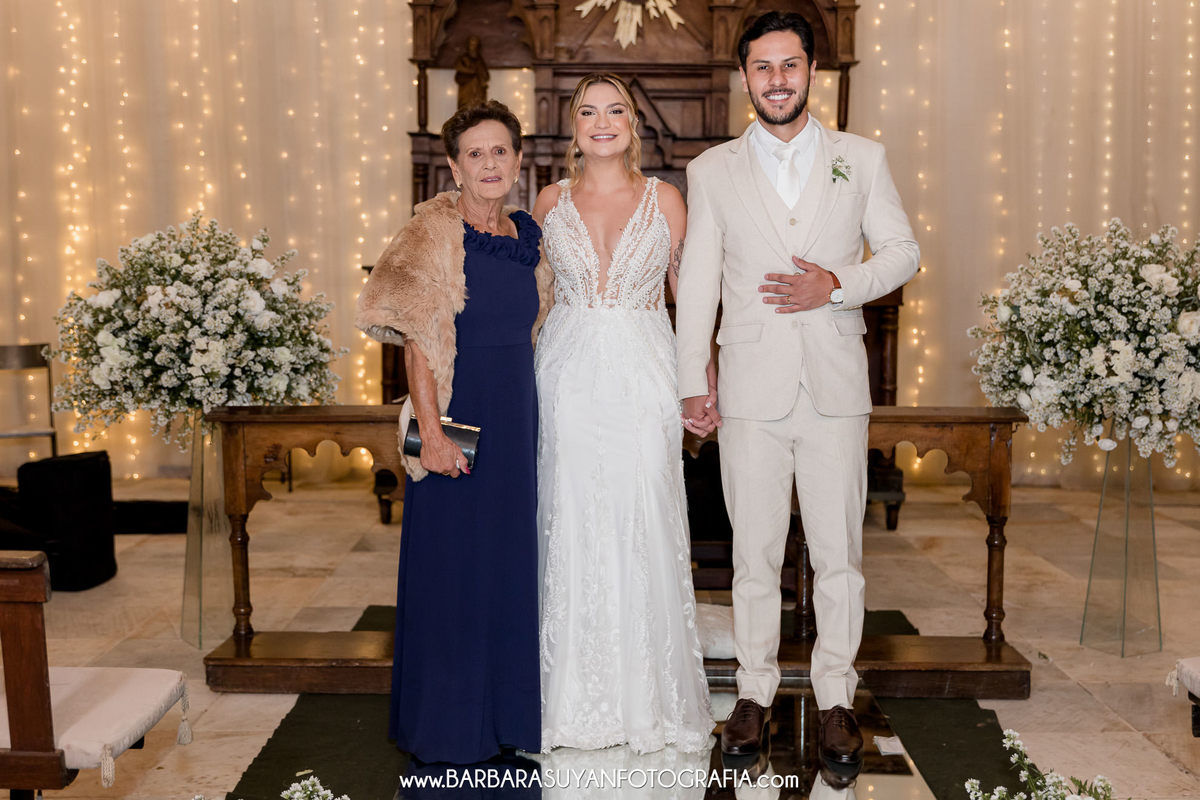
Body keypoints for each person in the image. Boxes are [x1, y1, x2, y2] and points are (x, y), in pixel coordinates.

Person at [674, 11, 920, 775]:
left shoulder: (862, 158)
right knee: (753, 553)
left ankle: (837, 696)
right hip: (750, 386)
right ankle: (754, 694)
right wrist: (692, 382)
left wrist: (837, 283)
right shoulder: (711, 170)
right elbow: (699, 281)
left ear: (812, 70)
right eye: (762, 67)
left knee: (840, 554)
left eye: (789, 65)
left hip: (835, 386)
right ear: (744, 77)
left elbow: (904, 252)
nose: (776, 80)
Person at [355, 100, 553, 763]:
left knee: (506, 569)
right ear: (453, 165)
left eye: (500, 151)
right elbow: (418, 340)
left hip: (516, 421)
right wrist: (433, 433)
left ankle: (506, 721)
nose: (489, 164)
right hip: (457, 420)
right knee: (451, 572)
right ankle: (446, 727)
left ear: (518, 160)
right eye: (475, 153)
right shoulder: (433, 232)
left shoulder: (528, 237)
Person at [532, 72, 715, 754]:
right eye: (588, 111)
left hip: (644, 370)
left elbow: (688, 293)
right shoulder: (549, 200)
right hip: (565, 373)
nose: (602, 121)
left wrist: (702, 378)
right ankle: (569, 698)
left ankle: (648, 698)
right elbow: (536, 293)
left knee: (643, 510)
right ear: (573, 126)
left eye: (615, 110)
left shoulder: (666, 199)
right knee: (570, 514)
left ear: (632, 124)